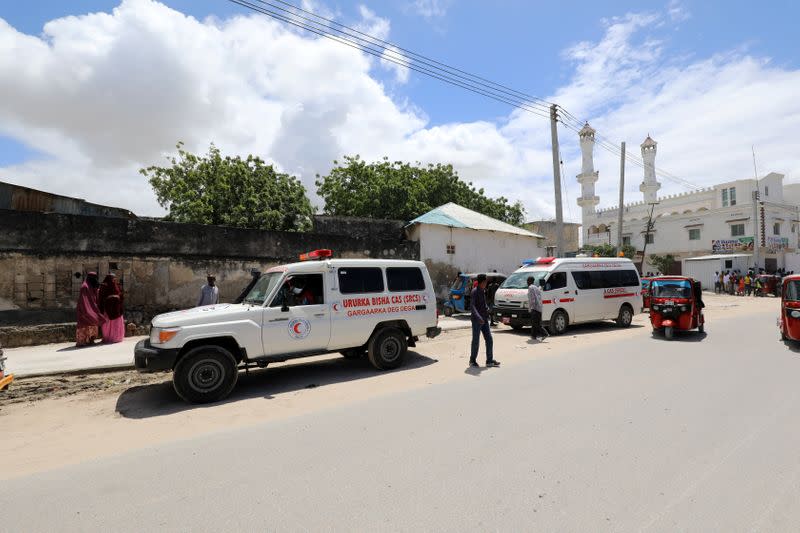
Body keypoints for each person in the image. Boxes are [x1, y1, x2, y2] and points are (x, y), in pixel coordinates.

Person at [469, 274, 499, 368]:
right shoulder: (474, 291)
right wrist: (479, 317)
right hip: (477, 320)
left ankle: (489, 360)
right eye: (485, 282)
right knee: (476, 340)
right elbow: (473, 306)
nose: (486, 283)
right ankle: (472, 360)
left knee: (489, 339)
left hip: (484, 319)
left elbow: (483, 303)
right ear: (481, 282)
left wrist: (487, 308)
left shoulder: (483, 291)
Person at [75, 272, 104, 347]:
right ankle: (81, 341)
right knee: (83, 325)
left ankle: (91, 340)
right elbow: (83, 300)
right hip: (84, 309)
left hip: (92, 307)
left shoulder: (91, 286)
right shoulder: (85, 287)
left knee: (93, 324)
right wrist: (87, 311)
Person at [99, 273, 125, 343]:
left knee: (116, 324)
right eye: (113, 279)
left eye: (115, 279)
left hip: (116, 309)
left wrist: (118, 297)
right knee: (107, 324)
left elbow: (121, 295)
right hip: (107, 310)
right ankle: (107, 338)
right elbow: (101, 298)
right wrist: (111, 297)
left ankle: (116, 338)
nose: (114, 281)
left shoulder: (116, 286)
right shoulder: (104, 286)